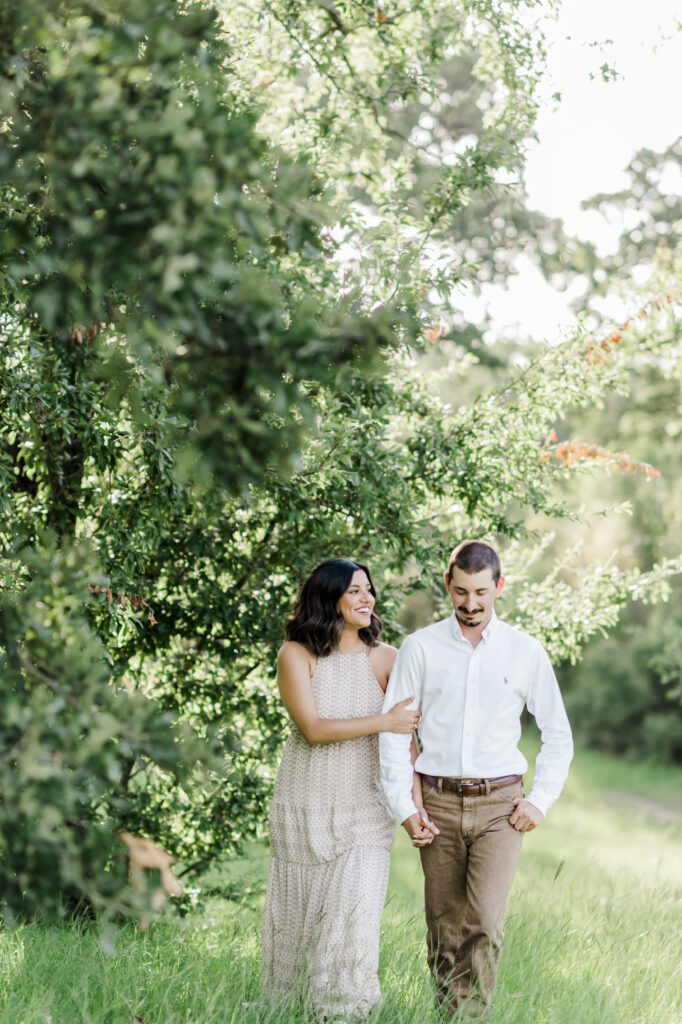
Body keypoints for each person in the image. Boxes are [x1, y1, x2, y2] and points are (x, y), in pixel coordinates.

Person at [379, 540, 574, 1019]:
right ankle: (448, 1015)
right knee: (444, 928)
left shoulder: (524, 652)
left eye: (481, 593)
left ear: (499, 587)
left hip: (501, 806)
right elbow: (392, 732)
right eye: (461, 592)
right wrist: (405, 807)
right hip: (437, 803)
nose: (470, 605)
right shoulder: (420, 648)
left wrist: (541, 800)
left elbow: (558, 734)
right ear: (448, 584)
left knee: (484, 921)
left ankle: (472, 1017)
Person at [262, 557, 424, 1021]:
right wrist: (385, 720)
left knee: (352, 921)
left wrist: (415, 801)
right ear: (327, 596)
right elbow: (312, 728)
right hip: (305, 803)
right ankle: (287, 1009)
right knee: (297, 922)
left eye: (368, 589)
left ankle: (344, 1012)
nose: (366, 598)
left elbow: (407, 740)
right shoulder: (296, 655)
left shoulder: (387, 658)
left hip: (366, 809)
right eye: (354, 590)